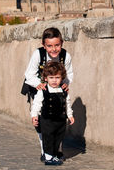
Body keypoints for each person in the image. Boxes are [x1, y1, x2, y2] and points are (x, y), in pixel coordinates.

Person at [23, 27, 73, 162]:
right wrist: (39, 85)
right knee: (41, 123)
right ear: (43, 45)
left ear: (61, 43)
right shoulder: (38, 54)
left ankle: (58, 151)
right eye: (49, 46)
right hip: (39, 90)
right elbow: (29, 75)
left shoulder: (65, 56)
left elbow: (69, 74)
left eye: (57, 45)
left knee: (58, 121)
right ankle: (45, 152)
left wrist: (65, 84)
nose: (54, 49)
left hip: (57, 91)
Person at [31, 61, 75, 166]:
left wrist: (70, 115)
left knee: (58, 137)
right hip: (47, 120)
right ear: (46, 78)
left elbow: (67, 103)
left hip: (60, 120)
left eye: (57, 77)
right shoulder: (43, 90)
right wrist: (34, 116)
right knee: (48, 138)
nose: (54, 80)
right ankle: (48, 157)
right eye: (51, 77)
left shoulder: (64, 91)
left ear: (62, 78)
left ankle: (54, 155)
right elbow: (36, 104)